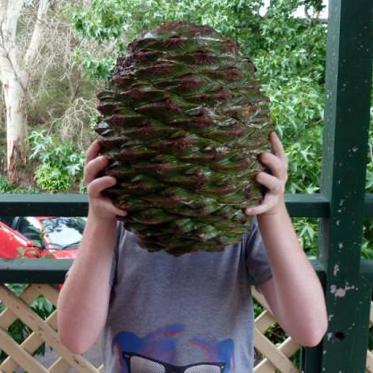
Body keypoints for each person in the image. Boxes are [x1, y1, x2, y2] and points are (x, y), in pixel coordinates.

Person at [57, 132, 328, 373]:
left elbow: (309, 329)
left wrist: (273, 210)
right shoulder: (115, 227)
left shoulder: (243, 225)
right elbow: (76, 337)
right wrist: (99, 217)